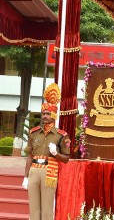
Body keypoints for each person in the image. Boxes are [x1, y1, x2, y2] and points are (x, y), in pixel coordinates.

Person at [22, 83, 70, 220]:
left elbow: (66, 159)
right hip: (34, 170)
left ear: (54, 115)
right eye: (43, 114)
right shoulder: (34, 132)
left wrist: (56, 154)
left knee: (47, 208)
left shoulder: (61, 135)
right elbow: (30, 156)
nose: (45, 117)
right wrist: (25, 176)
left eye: (48, 114)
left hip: (49, 171)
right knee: (34, 208)